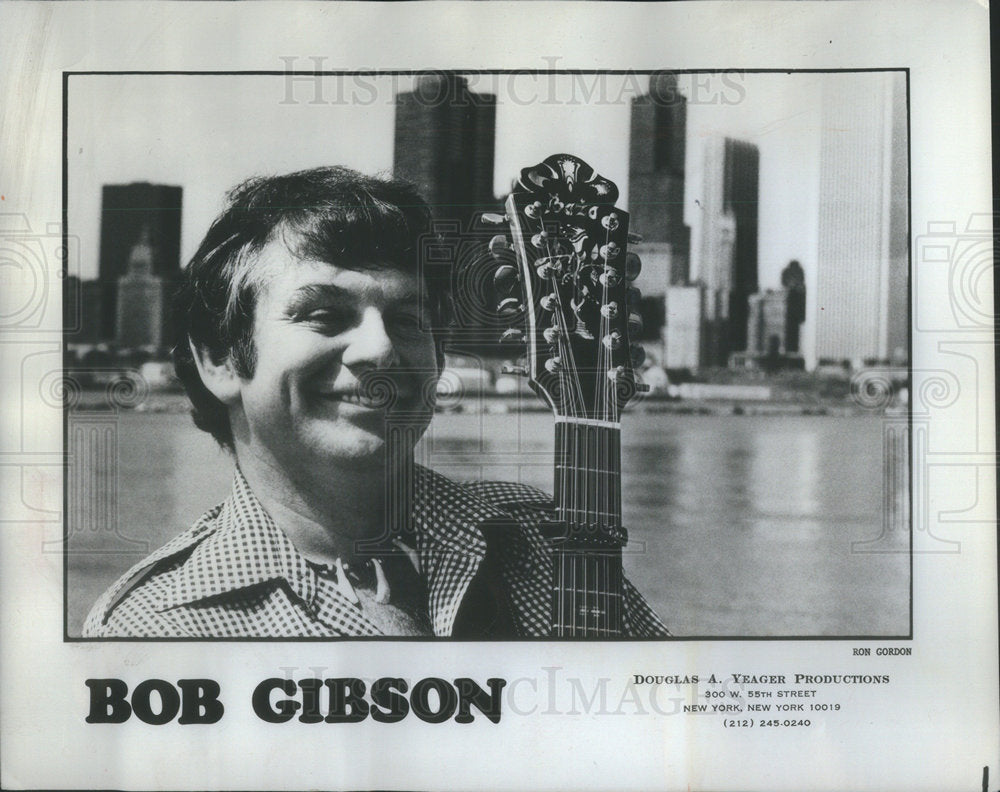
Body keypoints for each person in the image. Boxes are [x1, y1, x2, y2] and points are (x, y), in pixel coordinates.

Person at [83, 166, 669, 638]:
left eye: (409, 319)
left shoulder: (544, 540)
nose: (381, 349)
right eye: (324, 315)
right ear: (219, 359)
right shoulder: (153, 626)